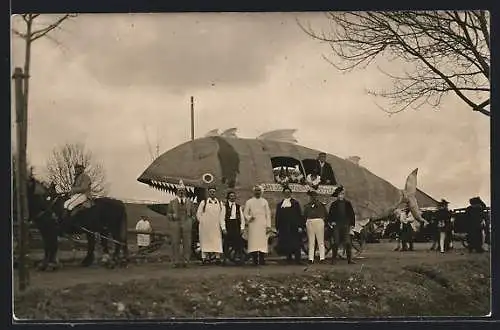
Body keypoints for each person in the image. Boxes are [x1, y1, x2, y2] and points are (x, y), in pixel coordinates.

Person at [167, 181, 195, 268]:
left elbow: (194, 214)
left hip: (186, 223)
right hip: (176, 224)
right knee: (175, 242)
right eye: (179, 191)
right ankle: (176, 261)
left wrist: (190, 220)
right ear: (177, 192)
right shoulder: (172, 202)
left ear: (185, 192)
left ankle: (186, 261)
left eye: (183, 191)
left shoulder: (189, 202)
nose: (181, 192)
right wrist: (172, 216)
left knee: (187, 242)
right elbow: (168, 214)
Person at [243, 185, 272, 266]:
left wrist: (268, 226)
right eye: (256, 190)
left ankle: (262, 260)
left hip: (262, 224)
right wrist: (249, 218)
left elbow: (268, 214)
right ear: (253, 192)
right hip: (253, 225)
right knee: (254, 243)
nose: (257, 192)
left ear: (261, 192)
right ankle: (255, 260)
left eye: (259, 190)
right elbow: (245, 213)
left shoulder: (264, 201)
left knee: (262, 243)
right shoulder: (249, 202)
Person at [275, 186, 304, 264]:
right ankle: (289, 258)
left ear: (290, 193)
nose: (287, 194)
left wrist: (300, 226)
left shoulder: (295, 203)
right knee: (286, 243)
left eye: (288, 192)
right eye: (285, 192)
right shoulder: (280, 204)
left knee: (296, 243)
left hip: (294, 226)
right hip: (284, 227)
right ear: (283, 193)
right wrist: (277, 227)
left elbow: (299, 215)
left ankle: (298, 259)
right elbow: (278, 216)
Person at [328, 186, 356, 264]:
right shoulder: (334, 204)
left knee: (347, 242)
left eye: (342, 194)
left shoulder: (347, 203)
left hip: (346, 225)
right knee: (336, 242)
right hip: (337, 225)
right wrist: (332, 221)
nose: (341, 196)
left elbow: (351, 214)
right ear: (337, 195)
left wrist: (352, 224)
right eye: (339, 194)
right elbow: (330, 215)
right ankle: (333, 259)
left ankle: (349, 259)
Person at [196, 186, 224, 265]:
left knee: (217, 241)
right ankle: (204, 258)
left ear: (215, 193)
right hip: (205, 227)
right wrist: (202, 222)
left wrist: (221, 224)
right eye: (211, 192)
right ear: (208, 193)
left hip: (216, 226)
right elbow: (198, 214)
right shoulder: (203, 202)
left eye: (213, 192)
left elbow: (222, 214)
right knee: (205, 242)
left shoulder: (219, 202)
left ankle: (217, 258)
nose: (212, 193)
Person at [220, 190, 246, 264]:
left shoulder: (238, 207)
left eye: (233, 196)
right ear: (228, 197)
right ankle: (225, 259)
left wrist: (242, 228)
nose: (232, 198)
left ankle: (240, 258)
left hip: (236, 225)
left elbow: (242, 218)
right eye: (231, 196)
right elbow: (222, 218)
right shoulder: (225, 207)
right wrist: (223, 228)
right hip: (228, 225)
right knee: (226, 243)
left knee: (238, 242)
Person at [303, 189, 328, 264]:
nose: (312, 198)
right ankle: (311, 258)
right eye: (311, 196)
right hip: (310, 221)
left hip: (318, 221)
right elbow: (305, 215)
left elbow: (326, 215)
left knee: (320, 241)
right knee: (311, 241)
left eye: (313, 196)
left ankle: (321, 257)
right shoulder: (308, 206)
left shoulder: (320, 205)